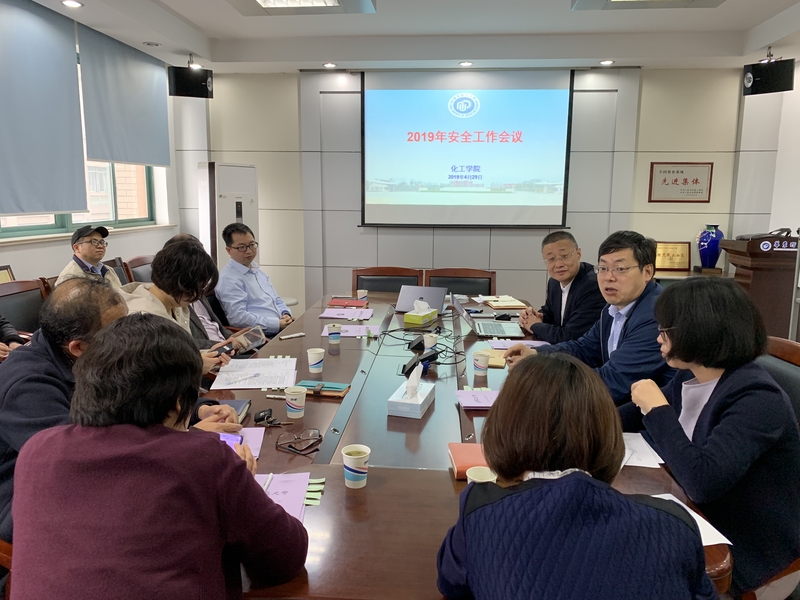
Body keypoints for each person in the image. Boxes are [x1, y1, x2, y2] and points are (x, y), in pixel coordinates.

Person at [11, 313, 308, 599]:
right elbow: (284, 558)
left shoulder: (36, 450)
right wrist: (243, 485)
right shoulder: (205, 458)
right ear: (179, 403)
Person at [437, 352, 716, 600]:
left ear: (503, 429)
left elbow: (450, 581)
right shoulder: (674, 524)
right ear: (606, 432)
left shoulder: (480, 510)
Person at [625, 277, 800, 596]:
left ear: (700, 331)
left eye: (666, 329)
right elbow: (632, 415)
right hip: (700, 514)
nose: (658, 337)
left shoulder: (758, 399)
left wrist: (657, 409)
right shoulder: (692, 375)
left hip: (749, 550)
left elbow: (702, 482)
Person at [0, 278, 127, 545]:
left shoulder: (93, 353)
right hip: (21, 501)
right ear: (77, 347)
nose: (128, 339)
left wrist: (198, 411)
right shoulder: (28, 387)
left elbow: (142, 390)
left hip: (80, 479)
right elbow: (78, 460)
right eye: (118, 332)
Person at [504, 230, 676, 405]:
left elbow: (613, 382)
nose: (608, 277)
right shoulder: (613, 307)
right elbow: (584, 348)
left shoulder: (656, 316)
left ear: (647, 272)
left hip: (642, 415)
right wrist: (537, 355)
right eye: (603, 268)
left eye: (620, 269)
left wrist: (544, 377)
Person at [119, 241, 234, 374]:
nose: (198, 295)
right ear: (181, 284)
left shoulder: (175, 302)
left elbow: (175, 355)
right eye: (198, 288)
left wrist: (208, 354)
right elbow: (146, 373)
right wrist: (195, 366)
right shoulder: (142, 319)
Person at [518, 231, 606, 343]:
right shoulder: (554, 282)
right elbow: (550, 314)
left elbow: (570, 336)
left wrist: (534, 325)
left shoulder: (593, 285)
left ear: (578, 254)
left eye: (564, 256)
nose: (558, 264)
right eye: (551, 259)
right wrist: (533, 316)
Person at [162, 233, 242, 351]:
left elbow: (213, 324)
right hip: (208, 353)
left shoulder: (196, 286)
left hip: (225, 349)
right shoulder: (172, 299)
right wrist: (219, 345)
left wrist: (231, 337)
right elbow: (181, 343)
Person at [216, 223, 293, 337]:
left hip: (279, 328)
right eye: (241, 247)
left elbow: (276, 299)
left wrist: (285, 313)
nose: (249, 251)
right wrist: (276, 324)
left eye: (252, 245)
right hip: (262, 336)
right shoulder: (228, 279)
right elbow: (238, 318)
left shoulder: (257, 270)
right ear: (229, 250)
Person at [55, 225, 122, 289]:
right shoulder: (71, 277)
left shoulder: (108, 270)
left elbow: (122, 294)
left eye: (102, 242)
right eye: (93, 242)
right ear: (77, 248)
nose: (100, 246)